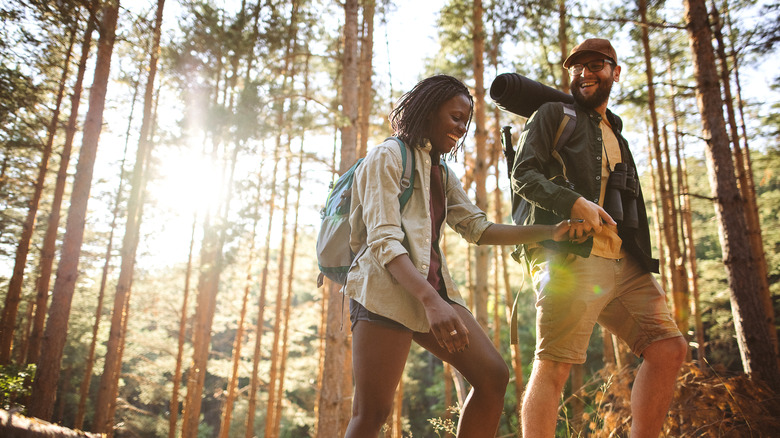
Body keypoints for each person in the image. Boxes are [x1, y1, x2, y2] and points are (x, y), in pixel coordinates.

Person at [343, 74, 571, 438]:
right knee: (372, 413)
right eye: (455, 117)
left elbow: (477, 228)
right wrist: (431, 301)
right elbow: (383, 241)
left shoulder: (440, 170)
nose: (461, 128)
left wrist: (549, 233)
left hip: (433, 292)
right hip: (384, 293)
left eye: (466, 121)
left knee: (493, 376)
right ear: (429, 111)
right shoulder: (386, 156)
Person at [510, 39, 688, 437]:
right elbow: (522, 175)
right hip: (572, 256)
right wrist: (573, 202)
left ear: (615, 72)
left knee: (668, 349)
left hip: (623, 259)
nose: (584, 73)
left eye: (595, 65)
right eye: (576, 68)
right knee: (554, 365)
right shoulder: (552, 114)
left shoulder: (615, 131)